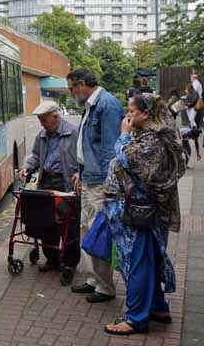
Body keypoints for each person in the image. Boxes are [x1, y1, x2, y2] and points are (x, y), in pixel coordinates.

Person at [99, 93, 184, 335]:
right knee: (150, 259)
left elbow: (129, 160)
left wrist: (123, 136)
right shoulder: (151, 136)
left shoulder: (152, 141)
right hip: (143, 211)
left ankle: (136, 318)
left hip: (139, 212)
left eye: (132, 112)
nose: (128, 116)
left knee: (136, 263)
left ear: (146, 114)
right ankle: (158, 307)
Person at [67, 68, 124, 303]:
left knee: (98, 231)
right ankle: (93, 279)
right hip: (90, 177)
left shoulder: (107, 105)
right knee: (87, 230)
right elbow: (87, 146)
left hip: (101, 181)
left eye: (71, 88)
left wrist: (109, 186)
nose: (71, 93)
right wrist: (81, 173)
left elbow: (112, 150)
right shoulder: (91, 106)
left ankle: (105, 286)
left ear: (81, 84)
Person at [19, 101, 80, 272]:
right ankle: (52, 259)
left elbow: (83, 157)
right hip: (46, 180)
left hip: (65, 181)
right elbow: (36, 156)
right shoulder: (42, 135)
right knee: (46, 222)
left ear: (55, 117)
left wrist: (80, 173)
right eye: (40, 120)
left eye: (44, 120)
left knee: (69, 223)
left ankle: (69, 262)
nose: (42, 124)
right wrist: (26, 167)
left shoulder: (73, 132)